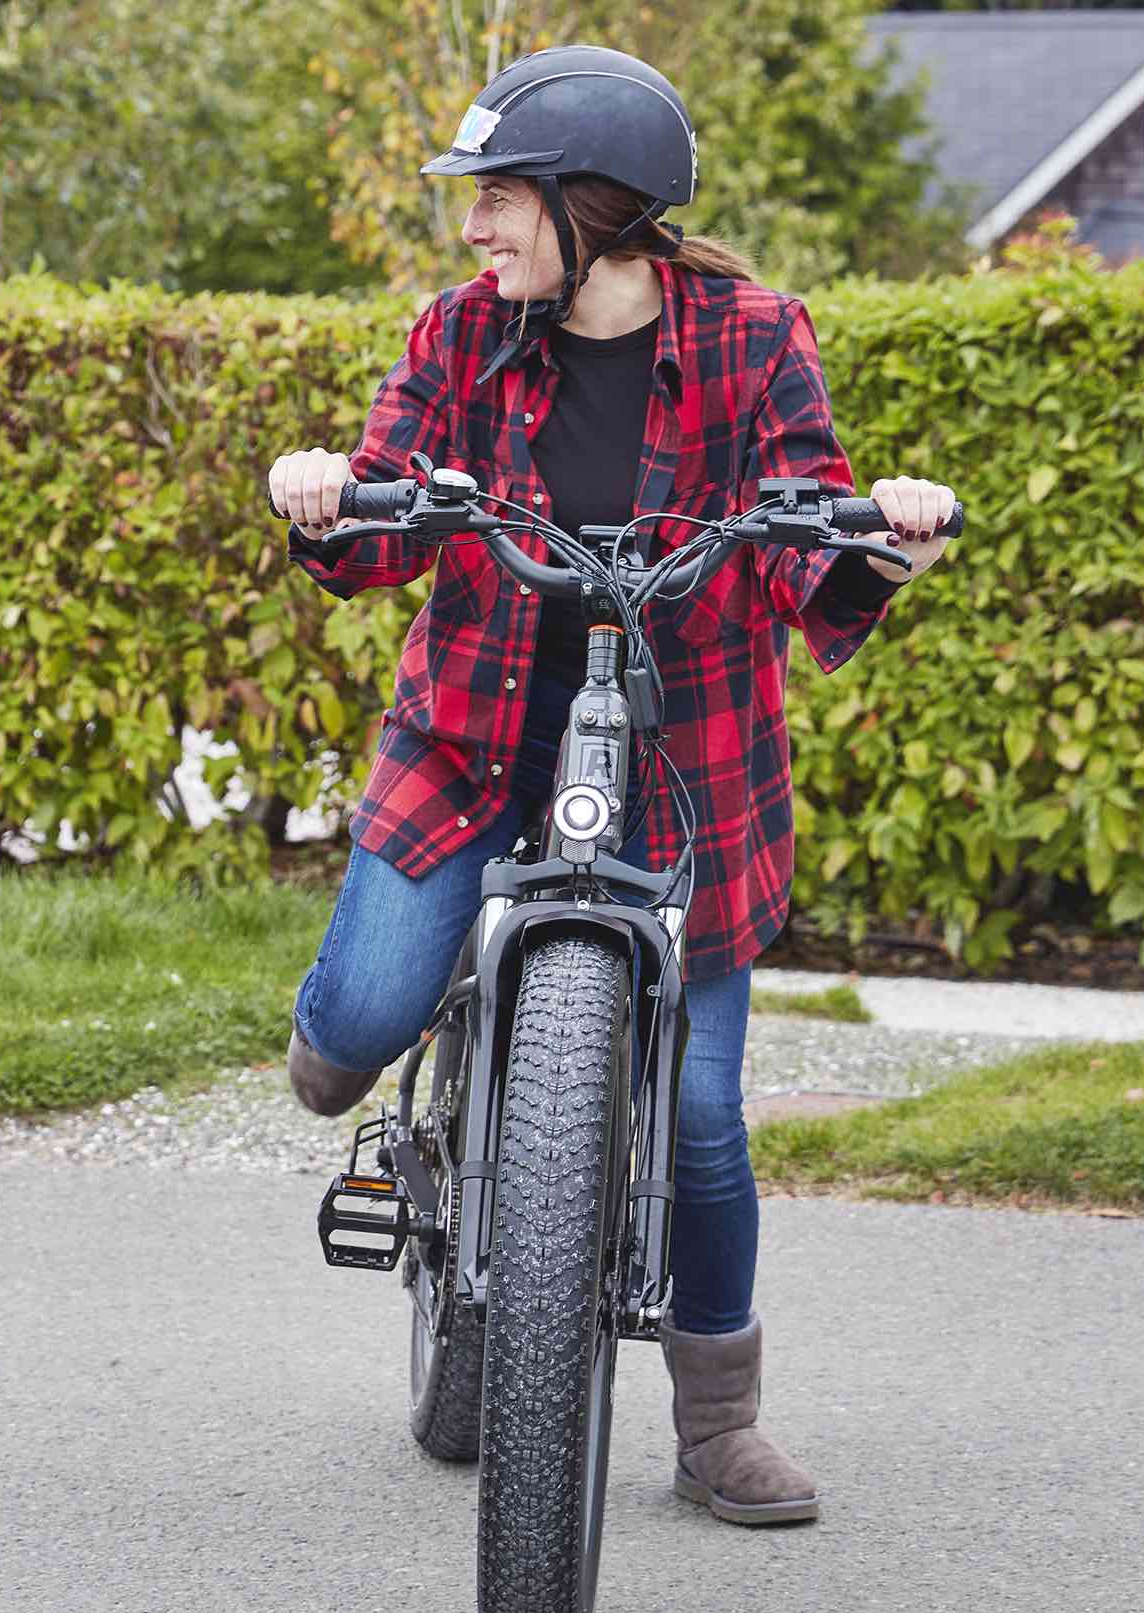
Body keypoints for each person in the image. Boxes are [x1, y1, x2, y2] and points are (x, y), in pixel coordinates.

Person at [267, 45, 956, 1528]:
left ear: (597, 208)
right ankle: (365, 1060)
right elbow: (383, 514)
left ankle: (717, 1428)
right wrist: (327, 494)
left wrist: (881, 538)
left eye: (501, 198)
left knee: (700, 1114)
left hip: (679, 764)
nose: (475, 230)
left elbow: (796, 542)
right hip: (469, 743)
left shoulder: (754, 338)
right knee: (366, 1015)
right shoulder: (459, 336)